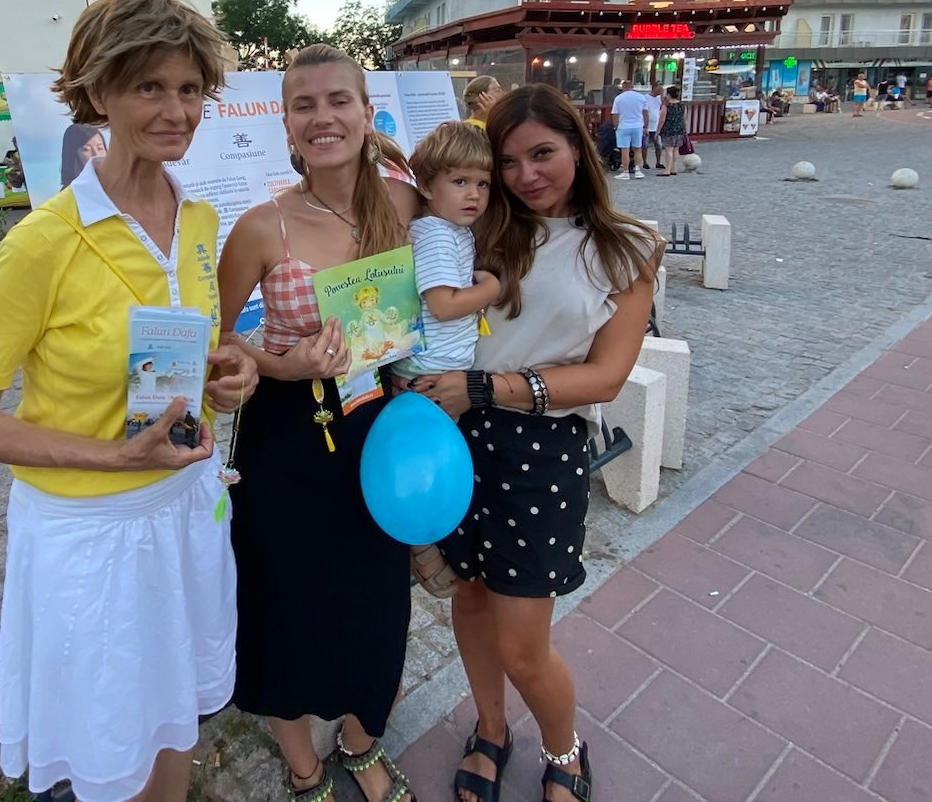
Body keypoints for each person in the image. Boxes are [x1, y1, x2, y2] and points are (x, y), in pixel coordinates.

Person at [0, 0, 258, 802]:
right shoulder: (42, 242)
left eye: (190, 88)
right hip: (91, 535)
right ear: (98, 91)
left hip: (185, 508)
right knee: (116, 746)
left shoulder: (199, 219)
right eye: (150, 86)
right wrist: (115, 456)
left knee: (175, 718)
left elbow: (184, 359)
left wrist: (227, 376)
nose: (176, 110)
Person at [410, 84, 659, 802]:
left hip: (540, 450)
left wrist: (487, 388)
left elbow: (606, 376)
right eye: (508, 162)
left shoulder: (625, 247)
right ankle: (491, 729)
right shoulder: (483, 227)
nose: (525, 175)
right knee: (470, 599)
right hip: (461, 435)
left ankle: (564, 750)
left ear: (578, 146)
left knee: (523, 645)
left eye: (542, 153)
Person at [216, 43, 422, 802]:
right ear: (286, 124)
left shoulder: (405, 205)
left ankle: (362, 745)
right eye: (304, 105)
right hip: (286, 437)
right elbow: (215, 338)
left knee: (377, 601)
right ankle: (303, 766)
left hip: (376, 425)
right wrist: (281, 365)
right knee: (284, 602)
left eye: (339, 100)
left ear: (368, 114)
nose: (322, 117)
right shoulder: (260, 227)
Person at [388, 120, 500, 595]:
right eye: (459, 181)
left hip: (439, 366)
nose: (473, 194)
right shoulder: (436, 234)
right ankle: (423, 550)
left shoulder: (452, 229)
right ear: (427, 187)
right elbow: (442, 304)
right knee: (425, 466)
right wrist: (491, 288)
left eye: (482, 183)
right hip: (432, 373)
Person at [609, 80, 646, 180]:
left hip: (624, 125)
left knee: (625, 150)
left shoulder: (618, 98)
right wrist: (645, 126)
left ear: (623, 87)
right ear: (632, 87)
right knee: (637, 148)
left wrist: (616, 126)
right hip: (637, 125)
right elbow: (645, 112)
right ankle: (638, 171)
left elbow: (615, 114)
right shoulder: (641, 97)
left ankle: (625, 172)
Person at [61, 123, 108, 188]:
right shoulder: (70, 192)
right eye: (86, 149)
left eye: (100, 148)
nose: (96, 154)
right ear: (72, 157)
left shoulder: (116, 187)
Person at [657, 85, 686, 175]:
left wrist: (658, 130)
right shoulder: (682, 105)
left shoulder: (667, 106)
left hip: (668, 129)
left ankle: (667, 170)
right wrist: (684, 129)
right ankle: (674, 168)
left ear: (669, 94)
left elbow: (662, 119)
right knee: (676, 149)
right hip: (679, 129)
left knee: (668, 150)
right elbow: (684, 118)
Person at [641, 84, 664, 172]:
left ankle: (658, 162)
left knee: (659, 145)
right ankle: (645, 162)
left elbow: (664, 105)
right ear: (653, 89)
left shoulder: (659, 98)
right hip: (647, 125)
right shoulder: (645, 98)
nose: (660, 90)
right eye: (659, 89)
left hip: (656, 125)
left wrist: (662, 95)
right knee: (645, 145)